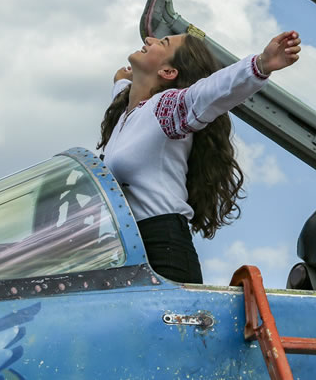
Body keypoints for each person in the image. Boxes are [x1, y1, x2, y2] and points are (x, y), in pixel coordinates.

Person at [97, 29, 301, 284]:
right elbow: (123, 94)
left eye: (163, 42)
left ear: (168, 72)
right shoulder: (125, 116)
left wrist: (260, 65)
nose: (148, 40)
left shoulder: (164, 110)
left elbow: (208, 92)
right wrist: (120, 80)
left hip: (163, 255)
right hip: (128, 252)